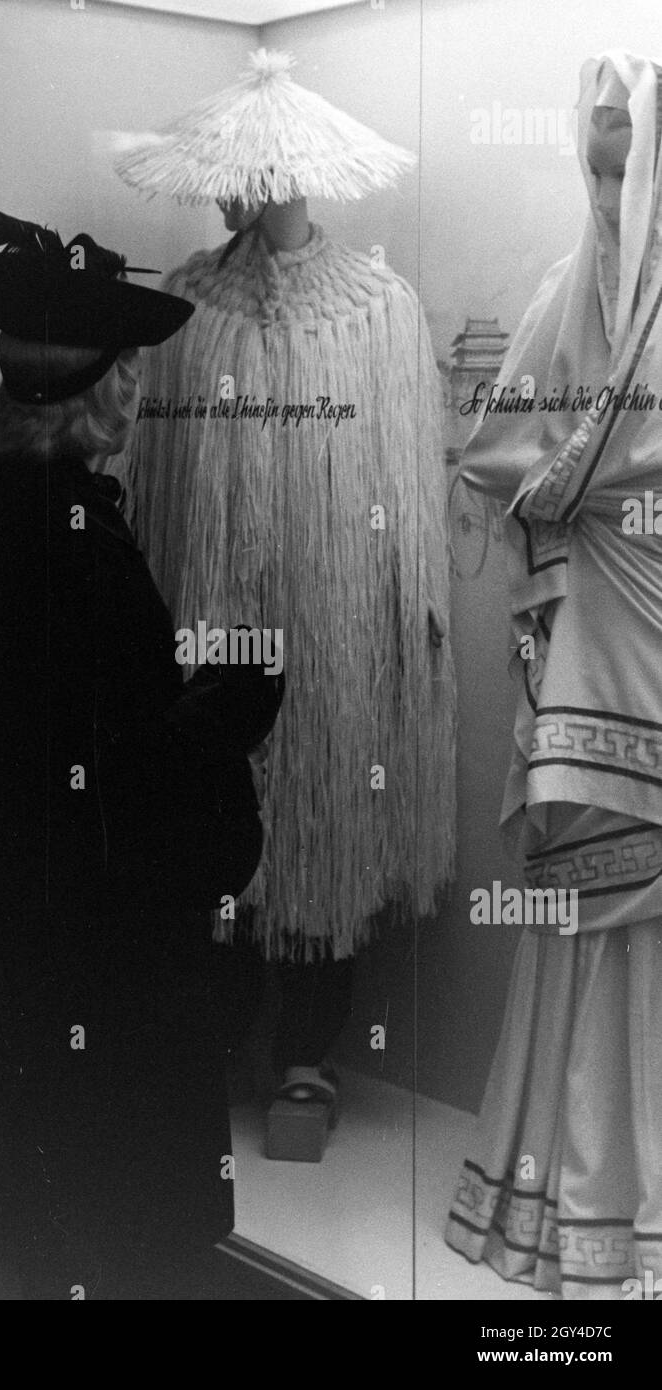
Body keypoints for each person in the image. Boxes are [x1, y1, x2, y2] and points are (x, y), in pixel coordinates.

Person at [115, 50, 455, 1144]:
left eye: (249, 176)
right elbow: (151, 485)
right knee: (216, 825)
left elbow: (406, 485)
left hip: (334, 629)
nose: (234, 193)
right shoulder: (180, 311)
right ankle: (211, 1043)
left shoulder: (380, 312)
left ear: (289, 177)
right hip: (210, 625)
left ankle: (307, 1054)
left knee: (326, 830)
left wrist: (413, 621)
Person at [0, 204, 284, 1298]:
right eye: (131, 368)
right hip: (112, 940)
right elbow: (119, 759)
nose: (141, 386)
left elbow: (72, 724)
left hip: (62, 928)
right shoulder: (72, 528)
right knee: (135, 1215)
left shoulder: (23, 508)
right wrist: (235, 703)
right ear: (103, 387)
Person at [445, 50, 662, 1299]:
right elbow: (485, 454)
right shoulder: (558, 292)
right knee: (588, 918)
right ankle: (570, 1211)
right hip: (588, 637)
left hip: (639, 628)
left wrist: (590, 485)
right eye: (594, 162)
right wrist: (571, 492)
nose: (610, 189)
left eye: (627, 165)